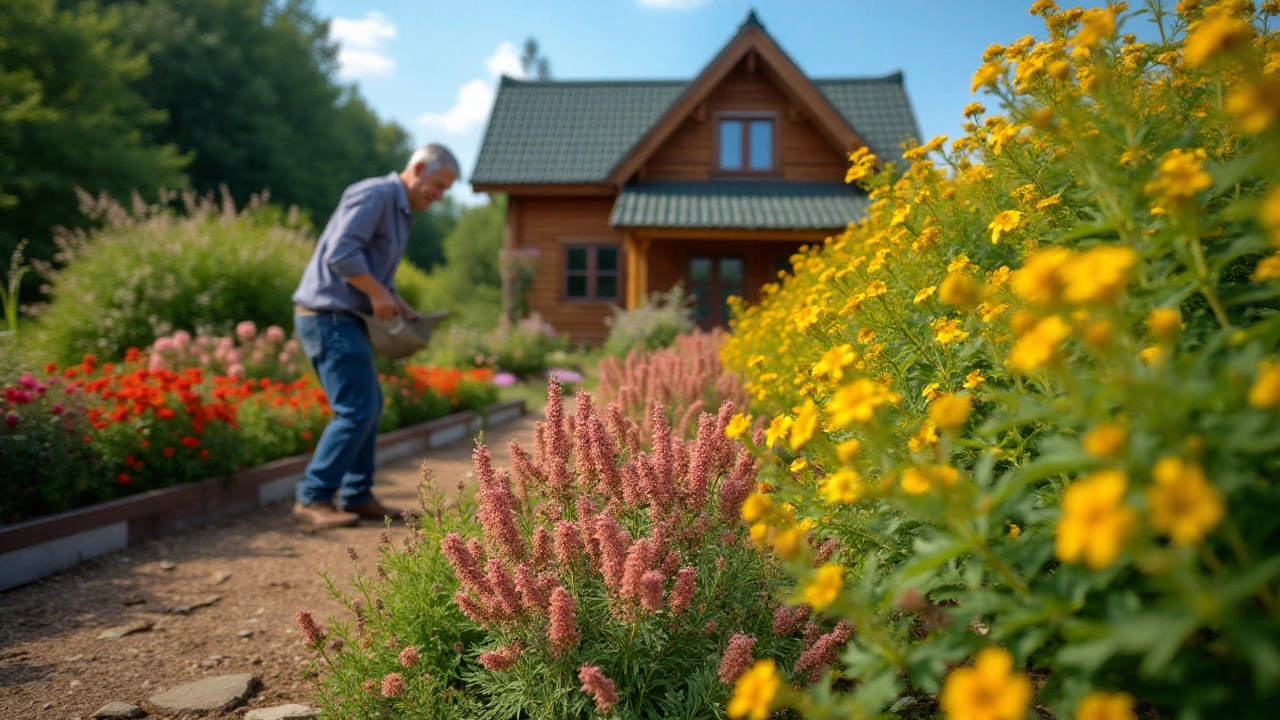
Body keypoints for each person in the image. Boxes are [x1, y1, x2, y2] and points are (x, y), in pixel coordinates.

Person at [290, 144, 459, 529]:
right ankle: (312, 498)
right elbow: (341, 254)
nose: (440, 195)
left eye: (445, 189)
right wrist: (379, 294)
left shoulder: (399, 211)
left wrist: (395, 299)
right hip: (328, 316)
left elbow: (374, 273)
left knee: (369, 406)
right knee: (356, 409)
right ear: (417, 167)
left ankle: (357, 495)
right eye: (438, 184)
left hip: (346, 318)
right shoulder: (374, 194)